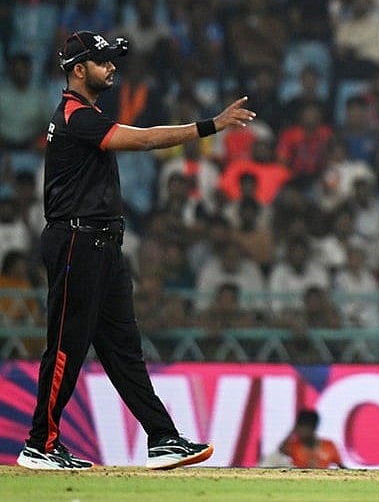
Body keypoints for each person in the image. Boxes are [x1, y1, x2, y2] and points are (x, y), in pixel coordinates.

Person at [17, 30, 255, 471]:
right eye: (103, 62)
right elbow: (144, 141)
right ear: (78, 69)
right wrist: (210, 125)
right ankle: (40, 445)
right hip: (77, 241)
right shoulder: (76, 116)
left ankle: (162, 438)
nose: (112, 68)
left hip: (101, 244)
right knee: (66, 346)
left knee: (124, 350)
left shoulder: (84, 113)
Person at [261, 409, 347, 469]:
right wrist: (292, 431)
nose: (299, 431)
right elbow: (280, 451)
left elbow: (341, 466)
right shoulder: (294, 445)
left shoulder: (329, 445)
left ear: (312, 428)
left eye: (302, 428)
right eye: (298, 428)